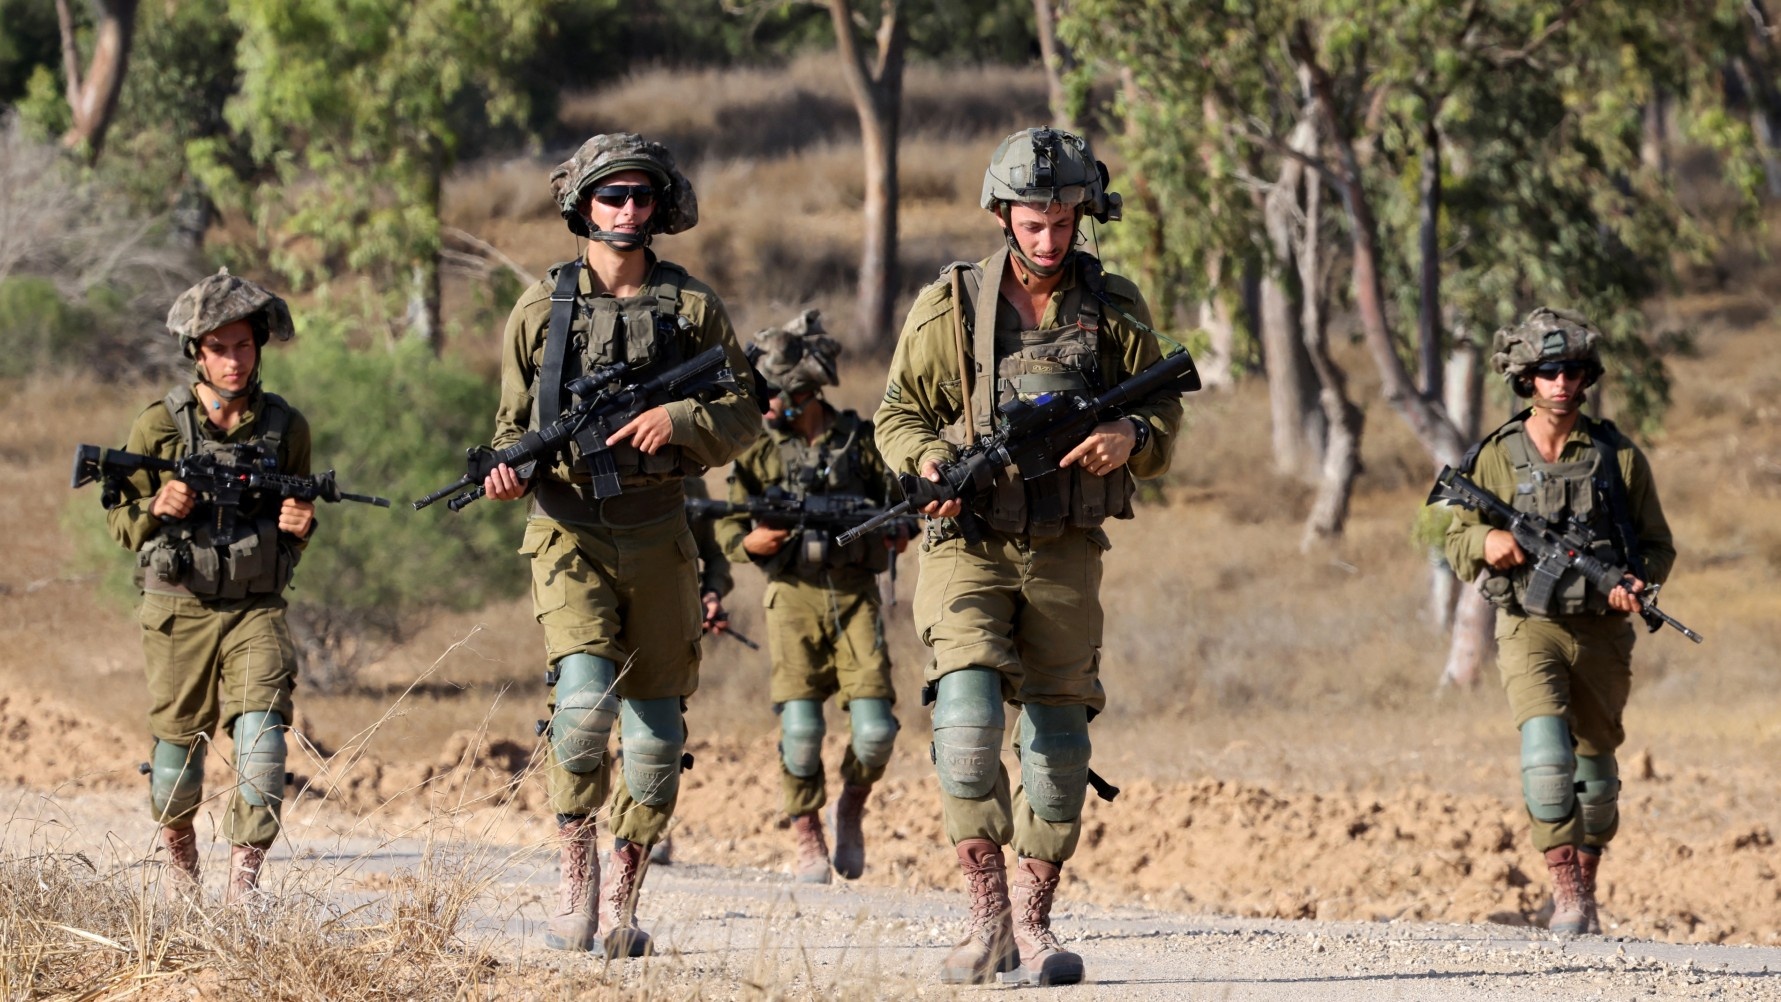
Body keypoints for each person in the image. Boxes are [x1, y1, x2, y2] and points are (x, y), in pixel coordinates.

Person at [874, 127, 1184, 986]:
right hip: (966, 544)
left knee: (1056, 738)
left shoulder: (1113, 306)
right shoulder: (950, 307)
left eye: (1062, 221)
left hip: (1064, 548)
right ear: (1002, 216)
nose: (1048, 240)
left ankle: (1035, 924)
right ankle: (987, 922)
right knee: (967, 723)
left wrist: (1130, 435)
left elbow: (1162, 416)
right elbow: (895, 412)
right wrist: (927, 463)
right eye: (1032, 223)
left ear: (1081, 213)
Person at [483, 133, 759, 956]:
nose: (627, 211)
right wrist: (508, 470)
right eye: (611, 197)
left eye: (641, 197)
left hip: (658, 530)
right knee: (579, 712)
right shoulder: (539, 310)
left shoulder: (692, 308)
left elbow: (744, 414)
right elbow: (509, 429)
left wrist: (676, 421)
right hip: (568, 530)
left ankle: (624, 900)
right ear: (582, 206)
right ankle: (576, 884)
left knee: (656, 737)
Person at [1443, 308, 1675, 936]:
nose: (1562, 383)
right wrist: (1486, 543)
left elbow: (1657, 544)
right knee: (1546, 763)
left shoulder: (1617, 457)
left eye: (1573, 370)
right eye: (1549, 372)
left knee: (1596, 783)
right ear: (1527, 379)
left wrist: (1637, 584)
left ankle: (1587, 884)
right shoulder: (1494, 456)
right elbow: (1451, 532)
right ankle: (1566, 893)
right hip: (1527, 625)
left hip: (1602, 632)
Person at [103, 271, 313, 901]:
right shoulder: (158, 428)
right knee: (176, 761)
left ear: (260, 347)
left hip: (255, 608)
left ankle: (242, 895)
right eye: (218, 348)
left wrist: (301, 525)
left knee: (263, 747)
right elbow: (120, 522)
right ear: (196, 351)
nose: (232, 360)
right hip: (179, 609)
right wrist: (156, 507)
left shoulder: (285, 429)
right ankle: (183, 881)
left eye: (243, 345)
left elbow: (295, 522)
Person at [713, 311, 903, 885]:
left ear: (804, 393)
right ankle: (806, 831)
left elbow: (900, 505)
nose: (765, 406)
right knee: (800, 734)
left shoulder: (858, 443)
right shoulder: (755, 452)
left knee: (875, 731)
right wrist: (752, 540)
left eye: (773, 395)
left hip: (854, 598)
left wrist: (891, 529)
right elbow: (728, 527)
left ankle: (850, 805)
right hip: (791, 601)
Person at [645, 473, 735, 868]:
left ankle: (649, 831)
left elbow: (713, 554)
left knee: (657, 732)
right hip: (609, 607)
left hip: (671, 618)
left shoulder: (688, 478)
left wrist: (711, 592)